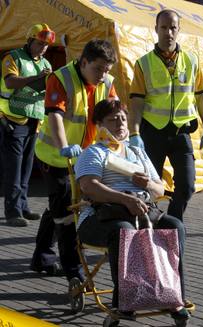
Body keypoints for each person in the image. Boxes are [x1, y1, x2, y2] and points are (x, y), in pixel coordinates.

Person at [74, 99, 190, 324]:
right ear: (99, 125)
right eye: (112, 120)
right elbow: (89, 186)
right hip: (101, 217)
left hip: (143, 213)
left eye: (123, 119)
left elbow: (159, 190)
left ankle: (175, 297)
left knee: (174, 225)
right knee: (124, 230)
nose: (120, 124)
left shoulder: (137, 152)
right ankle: (124, 303)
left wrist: (146, 184)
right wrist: (125, 199)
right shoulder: (94, 152)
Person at [30, 39, 118, 280]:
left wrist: (123, 141)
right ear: (84, 62)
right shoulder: (60, 78)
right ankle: (74, 273)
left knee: (58, 206)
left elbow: (114, 116)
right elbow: (56, 116)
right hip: (55, 156)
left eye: (107, 70)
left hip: (85, 158)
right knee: (68, 214)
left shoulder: (107, 83)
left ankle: (42, 257)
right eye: (98, 68)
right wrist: (64, 147)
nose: (102, 75)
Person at [129, 9, 203, 222]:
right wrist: (134, 133)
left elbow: (201, 97)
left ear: (179, 30)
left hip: (180, 134)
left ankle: (172, 225)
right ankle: (146, 230)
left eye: (173, 27)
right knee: (147, 187)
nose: (168, 32)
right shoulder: (144, 63)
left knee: (187, 186)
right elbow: (136, 103)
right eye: (164, 27)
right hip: (152, 134)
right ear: (156, 29)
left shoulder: (192, 61)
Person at [0, 23, 55, 227]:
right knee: (13, 168)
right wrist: (37, 78)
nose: (43, 48)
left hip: (34, 121)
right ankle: (13, 212)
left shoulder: (45, 63)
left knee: (26, 168)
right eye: (40, 43)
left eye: (46, 45)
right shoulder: (12, 57)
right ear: (30, 40)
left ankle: (23, 207)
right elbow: (10, 82)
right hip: (12, 119)